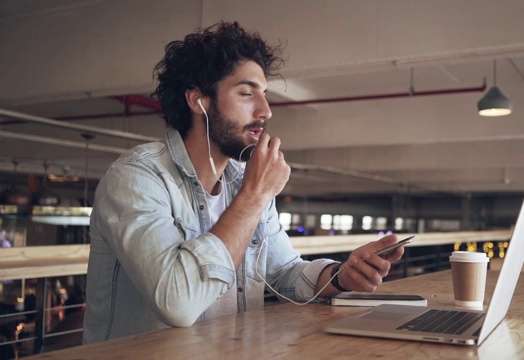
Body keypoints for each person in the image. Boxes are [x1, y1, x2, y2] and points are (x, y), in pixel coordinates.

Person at [82, 21, 404, 344]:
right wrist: (255, 195)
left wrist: (341, 275)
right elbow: (177, 301)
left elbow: (285, 273)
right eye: (247, 93)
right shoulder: (136, 179)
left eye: (263, 95)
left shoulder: (243, 182)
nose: (265, 111)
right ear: (199, 101)